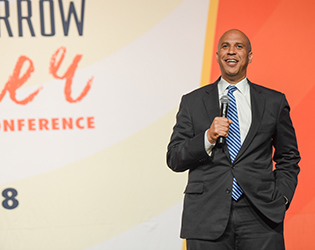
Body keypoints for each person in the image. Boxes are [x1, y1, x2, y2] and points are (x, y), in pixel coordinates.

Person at [166, 29, 300, 250]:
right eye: (226, 46)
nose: (232, 51)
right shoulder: (192, 101)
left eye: (239, 46)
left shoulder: (274, 101)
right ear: (218, 54)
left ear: (249, 55)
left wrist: (281, 198)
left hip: (261, 215)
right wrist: (207, 137)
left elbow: (289, 157)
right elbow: (174, 158)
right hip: (206, 216)